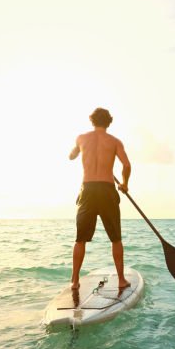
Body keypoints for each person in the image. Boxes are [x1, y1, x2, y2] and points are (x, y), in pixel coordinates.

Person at [69, 107, 131, 290]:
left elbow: (71, 156)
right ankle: (121, 280)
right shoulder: (114, 142)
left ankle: (74, 281)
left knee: (80, 239)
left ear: (92, 121)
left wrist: (75, 153)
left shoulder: (81, 138)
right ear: (109, 122)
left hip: (87, 190)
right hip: (106, 190)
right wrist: (125, 184)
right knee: (116, 239)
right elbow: (126, 165)